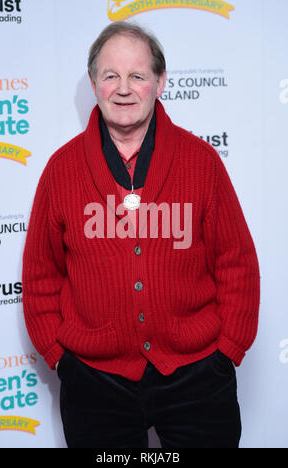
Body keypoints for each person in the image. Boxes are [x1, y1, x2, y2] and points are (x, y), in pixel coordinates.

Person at [22, 22, 260, 448]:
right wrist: (61, 360)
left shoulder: (201, 162)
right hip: (95, 383)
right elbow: (41, 275)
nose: (124, 88)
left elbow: (236, 261)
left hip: (199, 374)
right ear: (94, 83)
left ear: (160, 83)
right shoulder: (60, 171)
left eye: (137, 75)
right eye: (111, 75)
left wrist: (229, 350)